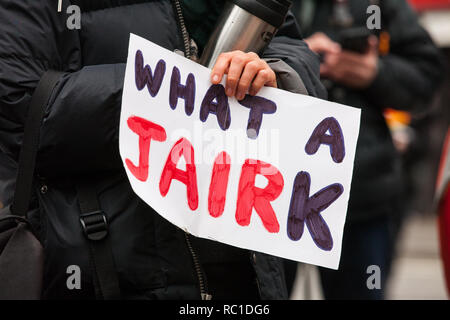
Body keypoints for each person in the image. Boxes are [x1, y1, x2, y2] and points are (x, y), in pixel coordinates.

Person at [0, 0, 325, 299]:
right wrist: (171, 89)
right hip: (111, 265)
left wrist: (271, 77)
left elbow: (292, 45)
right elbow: (20, 108)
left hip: (244, 265)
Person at [291, 0, 444, 299]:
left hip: (359, 191)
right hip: (266, 188)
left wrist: (374, 72)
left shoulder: (379, 5)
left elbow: (428, 77)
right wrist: (296, 57)